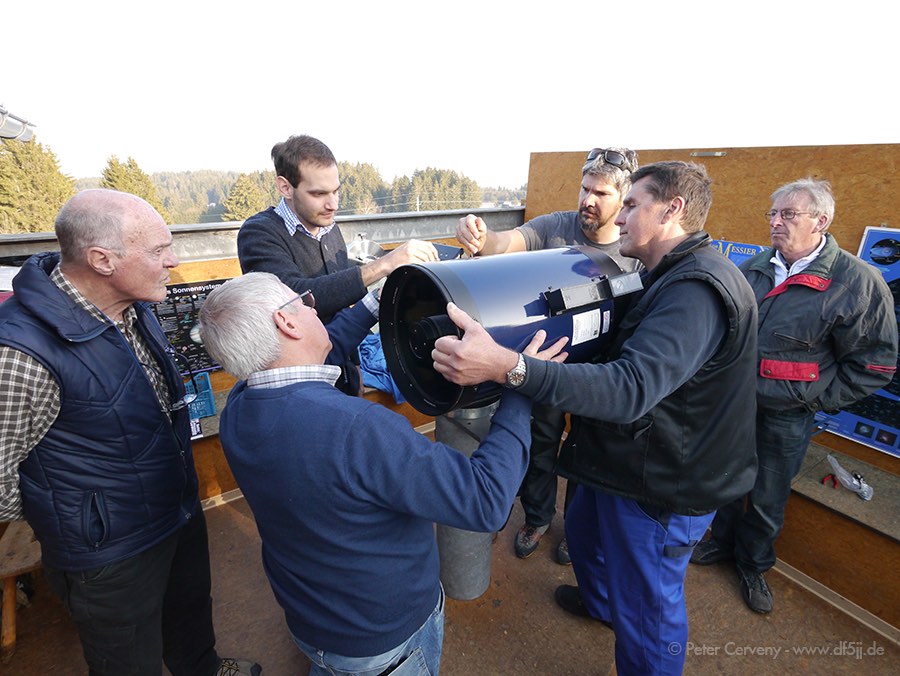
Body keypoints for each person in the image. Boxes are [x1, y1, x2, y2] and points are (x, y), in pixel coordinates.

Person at [432, 161, 760, 674]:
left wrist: (511, 367)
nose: (620, 215)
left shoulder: (697, 291)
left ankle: (636, 639)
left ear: (672, 210)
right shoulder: (659, 273)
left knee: (648, 606)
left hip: (666, 481)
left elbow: (631, 388)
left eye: (632, 204)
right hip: (621, 458)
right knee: (584, 534)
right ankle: (602, 604)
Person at [197, 272, 565, 676]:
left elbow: (313, 353)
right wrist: (519, 381)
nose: (312, 306)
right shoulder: (357, 428)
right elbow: (486, 500)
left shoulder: (239, 407)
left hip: (314, 622)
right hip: (385, 640)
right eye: (302, 302)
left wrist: (375, 302)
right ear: (286, 323)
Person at [0, 190, 259, 676]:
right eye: (159, 250)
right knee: (126, 658)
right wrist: (79, 515)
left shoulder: (134, 302)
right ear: (101, 260)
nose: (174, 261)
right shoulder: (18, 353)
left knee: (189, 616)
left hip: (174, 509)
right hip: (108, 548)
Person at [690, 178, 898, 614]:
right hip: (736, 406)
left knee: (768, 495)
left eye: (788, 215)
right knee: (726, 480)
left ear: (821, 221)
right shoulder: (754, 268)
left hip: (789, 416)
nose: (775, 223)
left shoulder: (858, 283)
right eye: (773, 214)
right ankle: (722, 543)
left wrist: (815, 399)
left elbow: (876, 365)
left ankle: (753, 565)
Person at [456, 146, 643, 564]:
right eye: (584, 188)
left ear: (624, 200)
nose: (588, 200)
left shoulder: (633, 251)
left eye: (602, 194)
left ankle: (575, 529)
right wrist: (484, 239)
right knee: (540, 442)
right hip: (546, 365)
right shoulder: (557, 228)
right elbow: (510, 242)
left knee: (589, 452)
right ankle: (538, 517)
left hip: (600, 371)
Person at [237, 134, 439, 396]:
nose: (333, 204)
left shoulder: (329, 228)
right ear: (285, 187)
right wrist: (384, 264)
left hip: (342, 370)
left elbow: (342, 306)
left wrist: (354, 371)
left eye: (336, 191)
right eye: (319, 193)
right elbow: (297, 299)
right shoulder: (258, 234)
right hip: (302, 386)